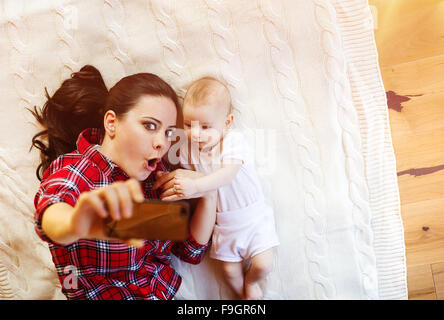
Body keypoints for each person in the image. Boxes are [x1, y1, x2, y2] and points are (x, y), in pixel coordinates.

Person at [30, 65, 216, 300]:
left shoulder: (154, 179)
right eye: (150, 125)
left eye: (169, 133)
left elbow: (191, 252)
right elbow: (53, 215)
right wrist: (78, 223)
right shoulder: (78, 171)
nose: (162, 143)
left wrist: (208, 191)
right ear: (111, 123)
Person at [153, 77, 279, 299]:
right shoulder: (187, 149)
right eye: (189, 125)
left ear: (227, 123)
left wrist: (195, 186)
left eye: (205, 126)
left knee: (264, 265)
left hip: (254, 219)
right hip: (224, 225)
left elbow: (226, 175)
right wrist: (165, 176)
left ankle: (253, 282)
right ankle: (246, 297)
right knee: (229, 272)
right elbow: (178, 170)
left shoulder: (233, 141)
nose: (196, 133)